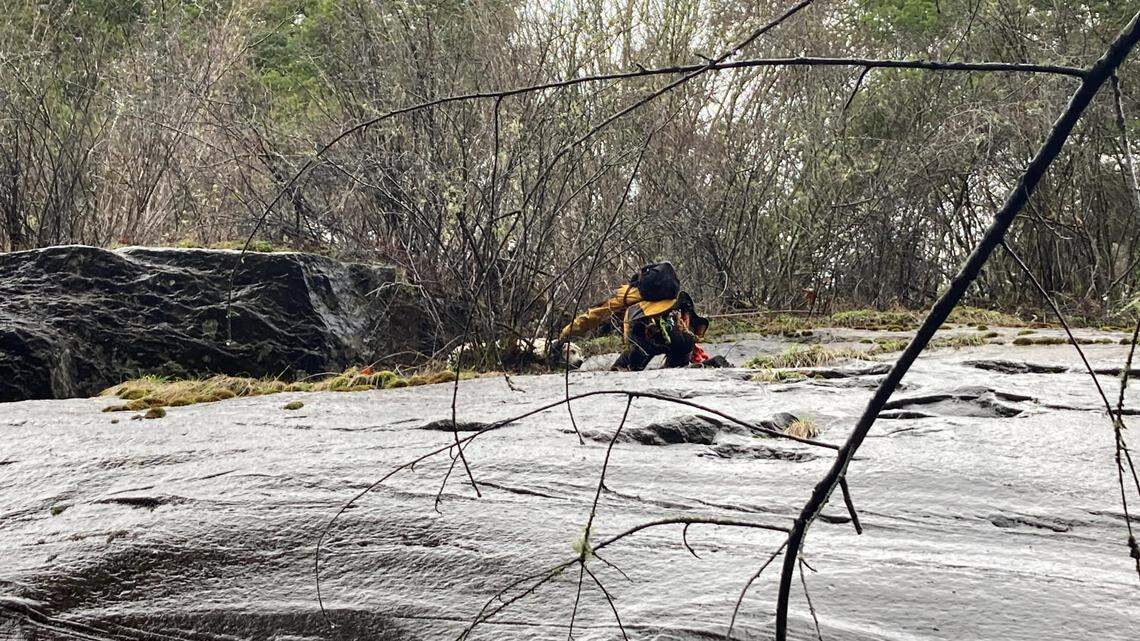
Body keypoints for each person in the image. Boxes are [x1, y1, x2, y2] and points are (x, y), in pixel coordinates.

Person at [552, 262, 710, 371]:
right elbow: (595, 315)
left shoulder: (675, 303)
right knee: (633, 365)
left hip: (663, 340)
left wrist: (564, 335)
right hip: (653, 340)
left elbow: (593, 316)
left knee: (680, 346)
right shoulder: (634, 297)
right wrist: (566, 333)